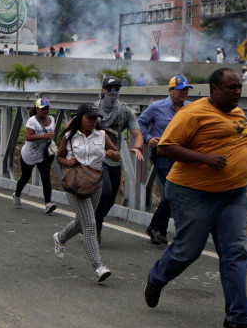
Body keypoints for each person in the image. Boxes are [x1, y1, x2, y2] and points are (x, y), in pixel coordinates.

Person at [144, 67, 247, 328]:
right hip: (193, 191)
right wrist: (204, 159)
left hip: (233, 193)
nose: (237, 92)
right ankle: (157, 277)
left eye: (239, 88)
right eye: (232, 88)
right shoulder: (192, 113)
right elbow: (164, 147)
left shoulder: (238, 113)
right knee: (188, 251)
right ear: (215, 89)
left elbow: (239, 142)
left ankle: (237, 318)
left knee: (235, 252)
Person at [52, 102, 120, 283]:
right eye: (89, 117)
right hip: (75, 183)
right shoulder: (69, 136)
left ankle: (61, 237)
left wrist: (112, 154)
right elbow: (58, 157)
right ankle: (98, 267)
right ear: (80, 118)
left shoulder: (102, 135)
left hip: (95, 183)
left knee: (81, 222)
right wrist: (68, 162)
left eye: (95, 118)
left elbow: (116, 153)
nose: (93, 121)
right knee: (90, 224)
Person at [138, 76, 193, 245]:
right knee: (172, 189)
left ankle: (156, 228)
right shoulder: (156, 107)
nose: (183, 93)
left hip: (182, 155)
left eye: (186, 90)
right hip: (162, 154)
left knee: (172, 191)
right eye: (180, 89)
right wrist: (148, 138)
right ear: (170, 90)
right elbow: (140, 122)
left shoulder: (192, 108)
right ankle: (162, 229)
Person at [92, 76, 144, 243]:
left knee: (112, 196)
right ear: (102, 90)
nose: (113, 93)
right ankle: (95, 225)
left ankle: (93, 220)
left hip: (114, 157)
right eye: (109, 89)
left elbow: (137, 133)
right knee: (105, 191)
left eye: (116, 89)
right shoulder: (92, 109)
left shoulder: (124, 111)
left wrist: (137, 147)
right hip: (95, 157)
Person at [12, 98, 58, 214]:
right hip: (30, 154)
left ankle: (48, 204)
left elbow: (52, 134)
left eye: (47, 108)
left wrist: (52, 142)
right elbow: (28, 137)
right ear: (37, 109)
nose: (45, 111)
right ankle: (17, 194)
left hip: (43, 154)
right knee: (25, 177)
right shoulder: (32, 121)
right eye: (42, 109)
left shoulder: (52, 119)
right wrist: (44, 136)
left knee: (46, 177)